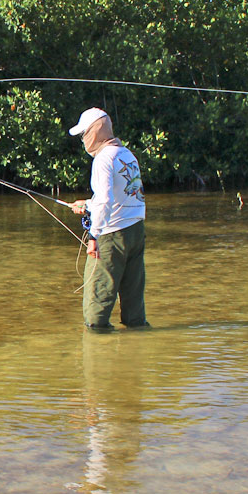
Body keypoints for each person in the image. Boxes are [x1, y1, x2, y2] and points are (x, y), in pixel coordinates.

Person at [66, 107, 148, 331]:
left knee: (96, 313)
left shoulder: (103, 159)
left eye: (84, 134)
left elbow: (105, 201)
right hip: (136, 232)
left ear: (95, 132)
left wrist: (94, 236)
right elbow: (121, 197)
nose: (84, 140)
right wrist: (87, 204)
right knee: (134, 308)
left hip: (112, 236)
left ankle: (98, 357)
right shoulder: (126, 154)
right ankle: (137, 349)